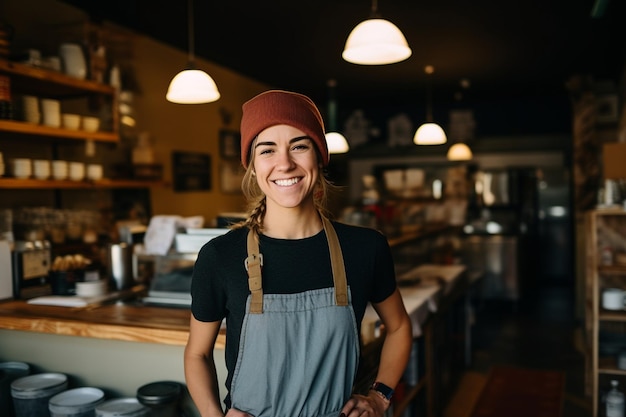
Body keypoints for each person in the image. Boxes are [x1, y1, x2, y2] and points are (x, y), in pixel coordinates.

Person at [184, 90, 413, 417]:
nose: (284, 163)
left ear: (319, 156)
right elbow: (197, 355)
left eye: (299, 146)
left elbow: (400, 326)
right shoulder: (219, 257)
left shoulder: (366, 248)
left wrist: (379, 397)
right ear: (252, 166)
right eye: (267, 150)